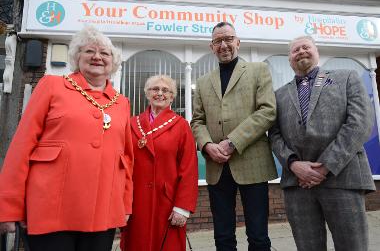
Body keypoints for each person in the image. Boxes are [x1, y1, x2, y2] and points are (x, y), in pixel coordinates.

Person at [0, 25, 134, 251]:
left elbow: (126, 160)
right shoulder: (52, 86)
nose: (97, 57)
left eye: (105, 53)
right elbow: (22, 147)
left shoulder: (122, 102)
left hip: (103, 212)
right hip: (50, 211)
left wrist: (125, 204)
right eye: (89, 51)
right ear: (76, 57)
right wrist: (8, 207)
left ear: (114, 62)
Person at [269, 35, 376, 251]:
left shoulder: (347, 78)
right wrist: (293, 165)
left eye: (305, 47)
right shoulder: (278, 95)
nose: (300, 52)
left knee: (352, 246)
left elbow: (360, 124)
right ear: (289, 59)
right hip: (298, 185)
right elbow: (274, 135)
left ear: (317, 52)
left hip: (343, 177)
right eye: (295, 50)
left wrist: (324, 167)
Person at [190, 22, 277, 251]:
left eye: (228, 38)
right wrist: (207, 145)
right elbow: (197, 121)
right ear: (212, 47)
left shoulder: (259, 70)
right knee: (223, 236)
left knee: (258, 237)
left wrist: (232, 142)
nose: (224, 45)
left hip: (252, 162)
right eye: (218, 41)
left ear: (238, 42)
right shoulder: (202, 82)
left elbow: (267, 111)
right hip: (216, 166)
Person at [120, 75, 198, 251]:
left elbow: (189, 169)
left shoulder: (181, 126)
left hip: (168, 204)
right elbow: (123, 165)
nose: (160, 93)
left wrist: (183, 207)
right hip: (135, 202)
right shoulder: (132, 123)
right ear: (147, 93)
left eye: (166, 90)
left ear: (172, 96)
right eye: (155, 89)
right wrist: (121, 202)